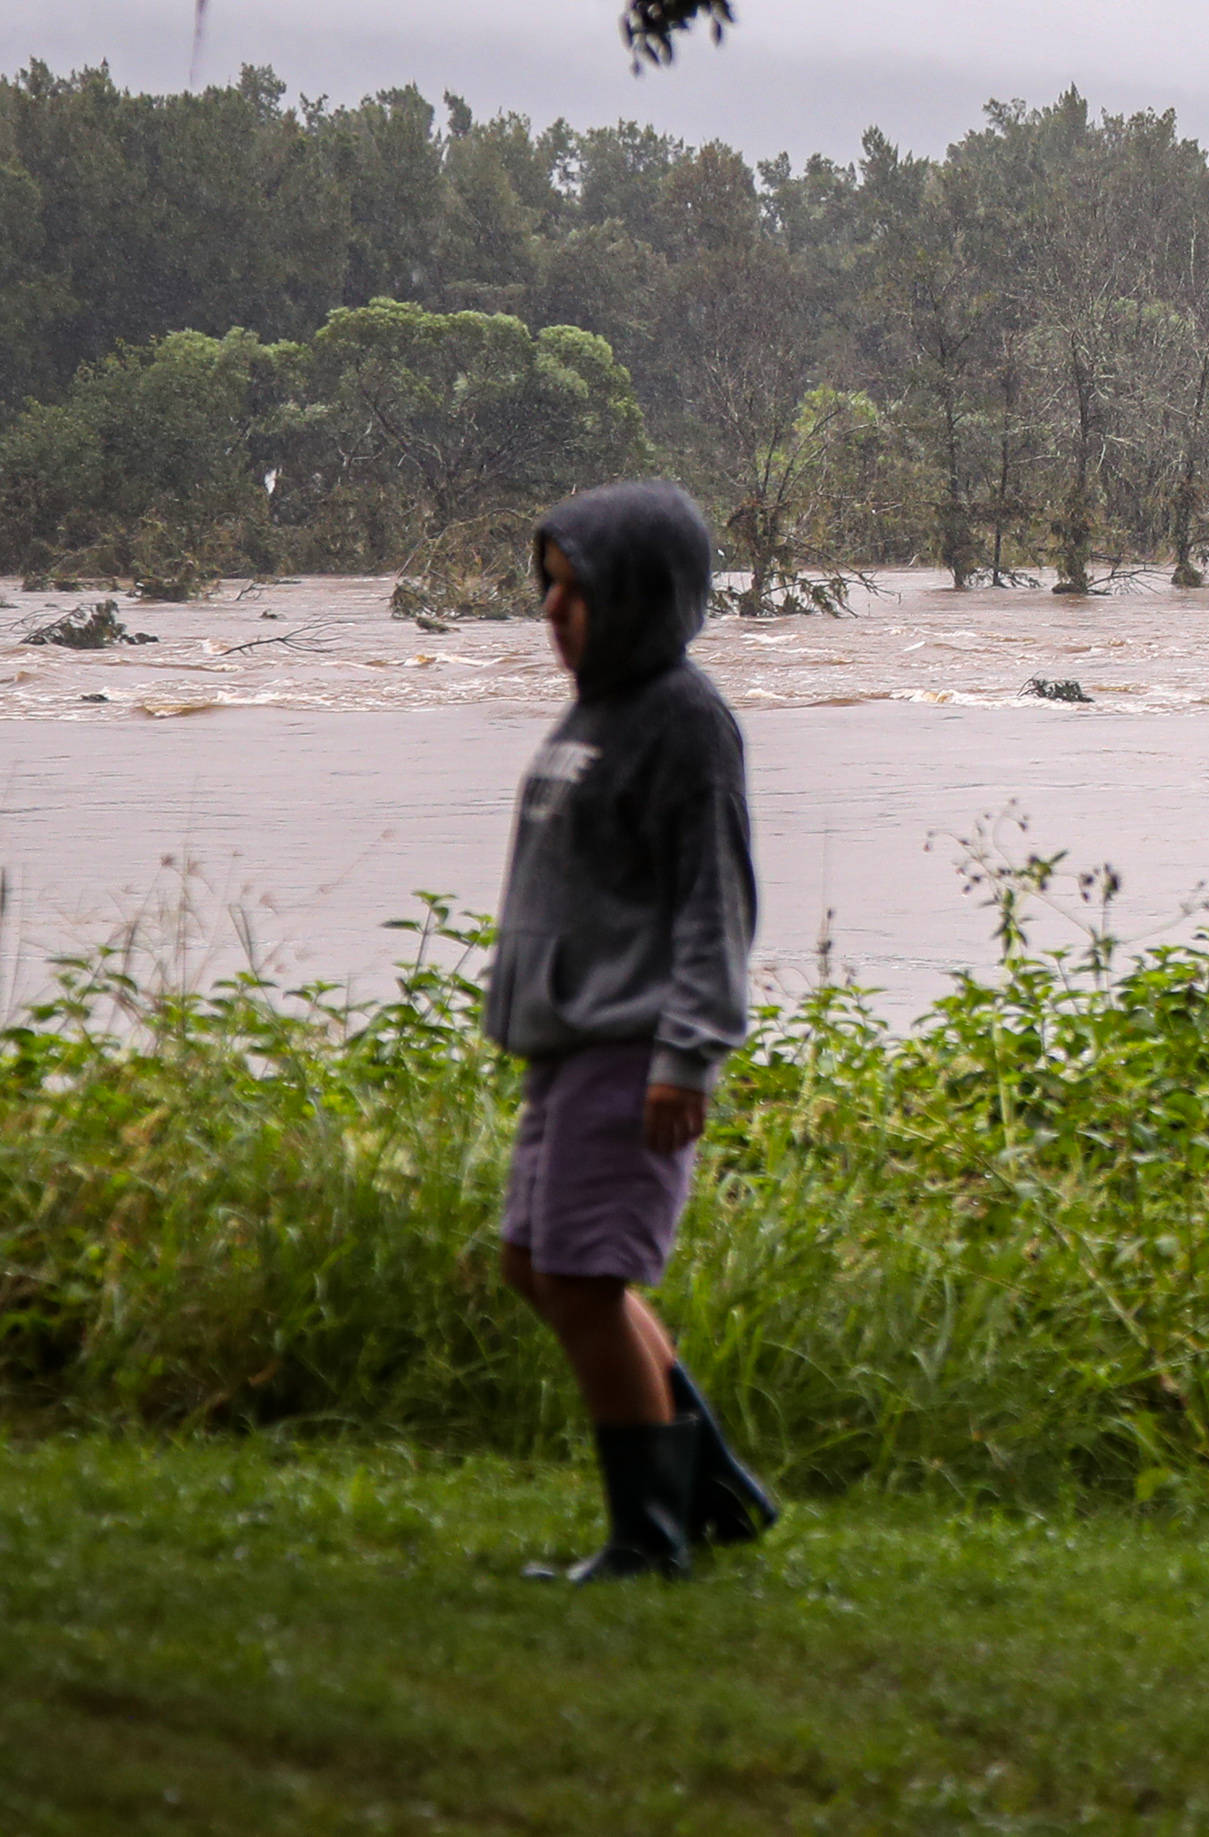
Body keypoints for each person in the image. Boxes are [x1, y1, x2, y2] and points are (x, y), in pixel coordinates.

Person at [489, 479, 778, 1582]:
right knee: (538, 1264)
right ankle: (710, 1487)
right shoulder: (595, 713)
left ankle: (648, 1538)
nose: (554, 613)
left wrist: (688, 1054)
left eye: (578, 593)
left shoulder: (685, 721)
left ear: (644, 597)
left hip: (633, 1045)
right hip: (567, 1043)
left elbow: (716, 905)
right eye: (550, 589)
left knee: (582, 1278)